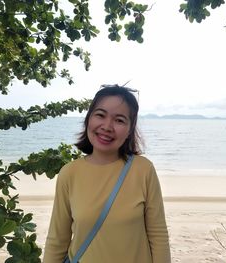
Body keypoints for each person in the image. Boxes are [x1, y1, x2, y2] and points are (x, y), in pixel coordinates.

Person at [43, 85, 171, 263]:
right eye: (100, 115)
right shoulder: (69, 173)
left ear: (129, 130)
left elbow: (158, 236)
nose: (107, 126)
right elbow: (57, 240)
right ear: (89, 119)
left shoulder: (143, 170)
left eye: (119, 120)